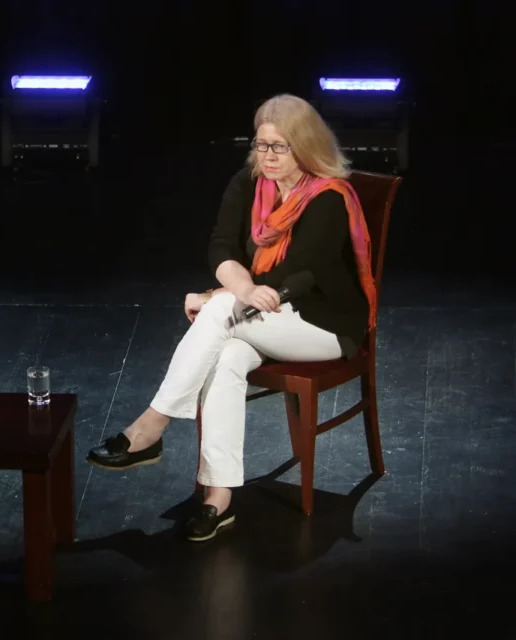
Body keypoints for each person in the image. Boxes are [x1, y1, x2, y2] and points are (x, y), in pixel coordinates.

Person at [87, 94, 377, 542]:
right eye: (261, 145)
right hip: (261, 313)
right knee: (226, 359)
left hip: (324, 325)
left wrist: (217, 297)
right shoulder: (249, 183)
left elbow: (297, 273)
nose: (268, 156)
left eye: (280, 147)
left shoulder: (327, 198)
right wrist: (236, 290)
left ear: (305, 146)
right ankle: (218, 499)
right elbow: (220, 245)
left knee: (220, 310)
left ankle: (152, 424)